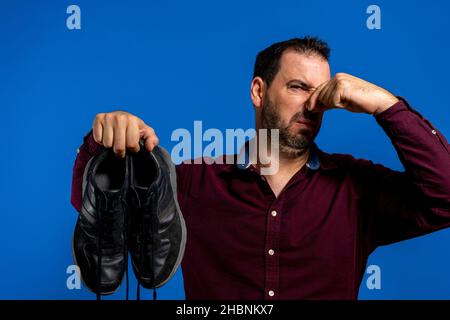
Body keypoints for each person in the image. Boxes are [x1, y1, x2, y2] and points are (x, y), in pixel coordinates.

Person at [71, 37, 450, 299]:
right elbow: (95, 211)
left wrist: (385, 105)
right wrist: (103, 146)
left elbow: (445, 197)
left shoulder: (355, 189)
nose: (313, 106)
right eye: (299, 88)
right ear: (258, 92)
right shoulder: (192, 182)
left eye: (321, 94)